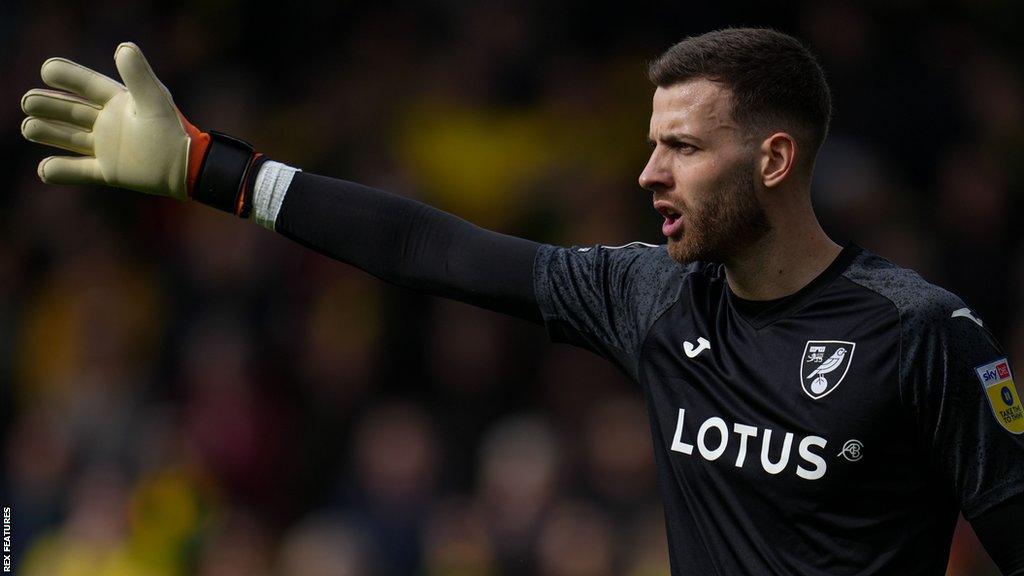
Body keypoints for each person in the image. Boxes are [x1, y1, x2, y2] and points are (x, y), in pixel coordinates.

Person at [20, 28, 1024, 575]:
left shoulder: (921, 334)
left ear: (772, 159)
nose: (647, 173)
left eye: (682, 147)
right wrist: (217, 171)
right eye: (648, 143)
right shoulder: (653, 295)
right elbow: (431, 249)